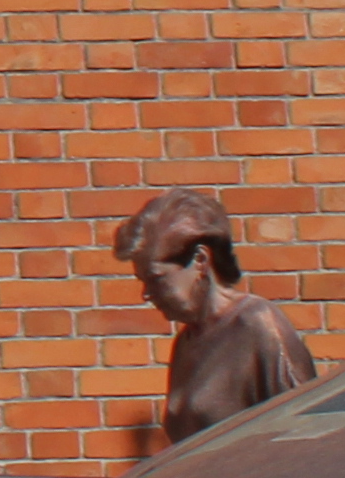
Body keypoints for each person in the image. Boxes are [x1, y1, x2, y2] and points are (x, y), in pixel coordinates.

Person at [117, 184, 321, 442]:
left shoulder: (258, 325)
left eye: (157, 279)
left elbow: (304, 433)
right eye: (142, 280)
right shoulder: (187, 342)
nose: (146, 293)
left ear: (201, 261)